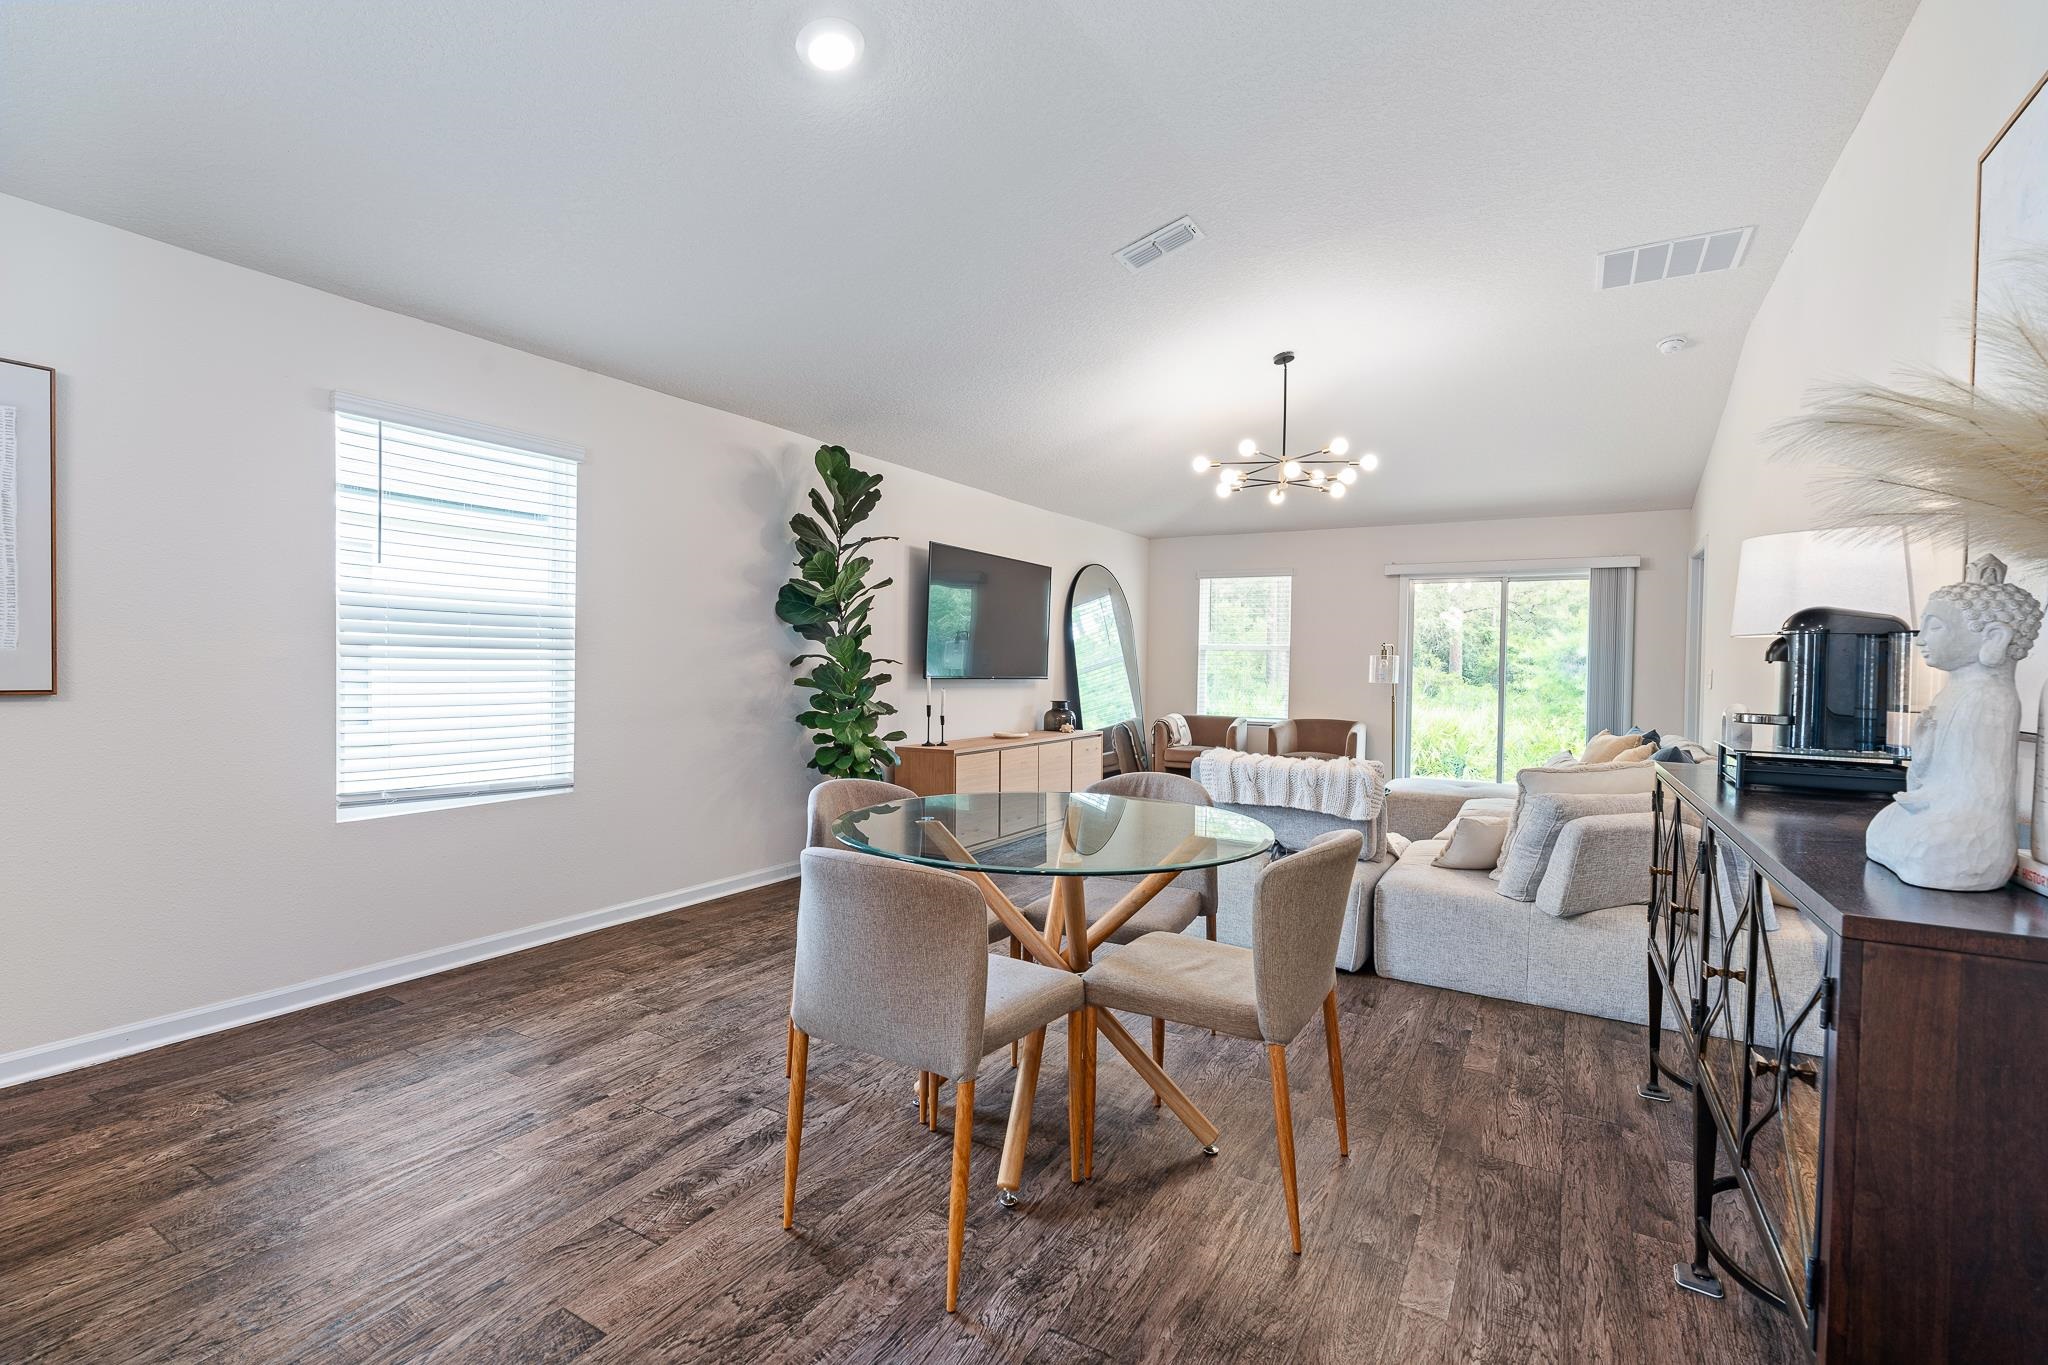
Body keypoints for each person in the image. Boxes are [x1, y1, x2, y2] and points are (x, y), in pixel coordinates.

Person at [1868, 556, 2042, 890]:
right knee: (1882, 825)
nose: (1920, 639)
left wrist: (1933, 798)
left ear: (1994, 638)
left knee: (1927, 848)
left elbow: (1978, 788)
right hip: (1934, 808)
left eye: (1935, 626)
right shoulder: (1951, 693)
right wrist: (1924, 747)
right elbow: (1928, 770)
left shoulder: (1992, 699)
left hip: (1968, 823)